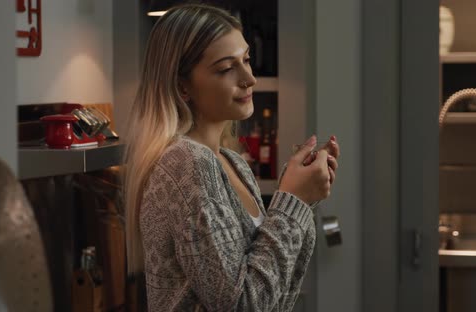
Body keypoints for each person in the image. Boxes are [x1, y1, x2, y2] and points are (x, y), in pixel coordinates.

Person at [124, 4, 340, 311]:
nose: (249, 78)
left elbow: (274, 296)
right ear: (182, 85)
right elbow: (242, 305)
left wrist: (299, 198)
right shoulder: (185, 163)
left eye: (247, 60)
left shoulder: (232, 163)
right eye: (227, 68)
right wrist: (294, 201)